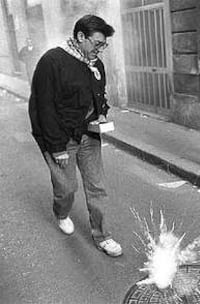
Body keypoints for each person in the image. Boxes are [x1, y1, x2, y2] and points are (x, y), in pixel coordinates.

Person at [28, 15, 122, 256]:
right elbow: (43, 108)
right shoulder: (52, 61)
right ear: (81, 37)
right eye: (98, 44)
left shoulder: (96, 64)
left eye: (104, 45)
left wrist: (102, 114)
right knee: (67, 187)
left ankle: (102, 235)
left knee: (97, 187)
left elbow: (100, 95)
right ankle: (61, 212)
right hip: (61, 138)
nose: (100, 50)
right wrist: (57, 147)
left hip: (89, 136)